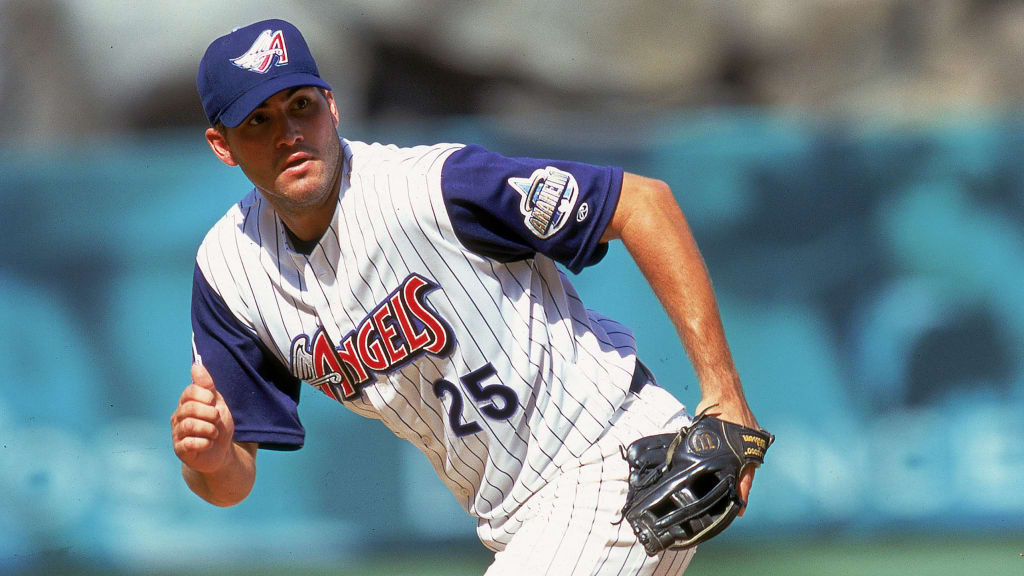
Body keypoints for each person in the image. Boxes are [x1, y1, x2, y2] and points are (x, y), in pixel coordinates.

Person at [171, 19, 762, 575]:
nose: (289, 134)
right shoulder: (229, 270)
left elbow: (643, 203)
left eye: (300, 106)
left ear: (332, 105)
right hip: (517, 520)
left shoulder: (431, 188)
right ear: (222, 145)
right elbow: (231, 481)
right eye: (258, 120)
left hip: (613, 459)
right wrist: (211, 459)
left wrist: (725, 395)